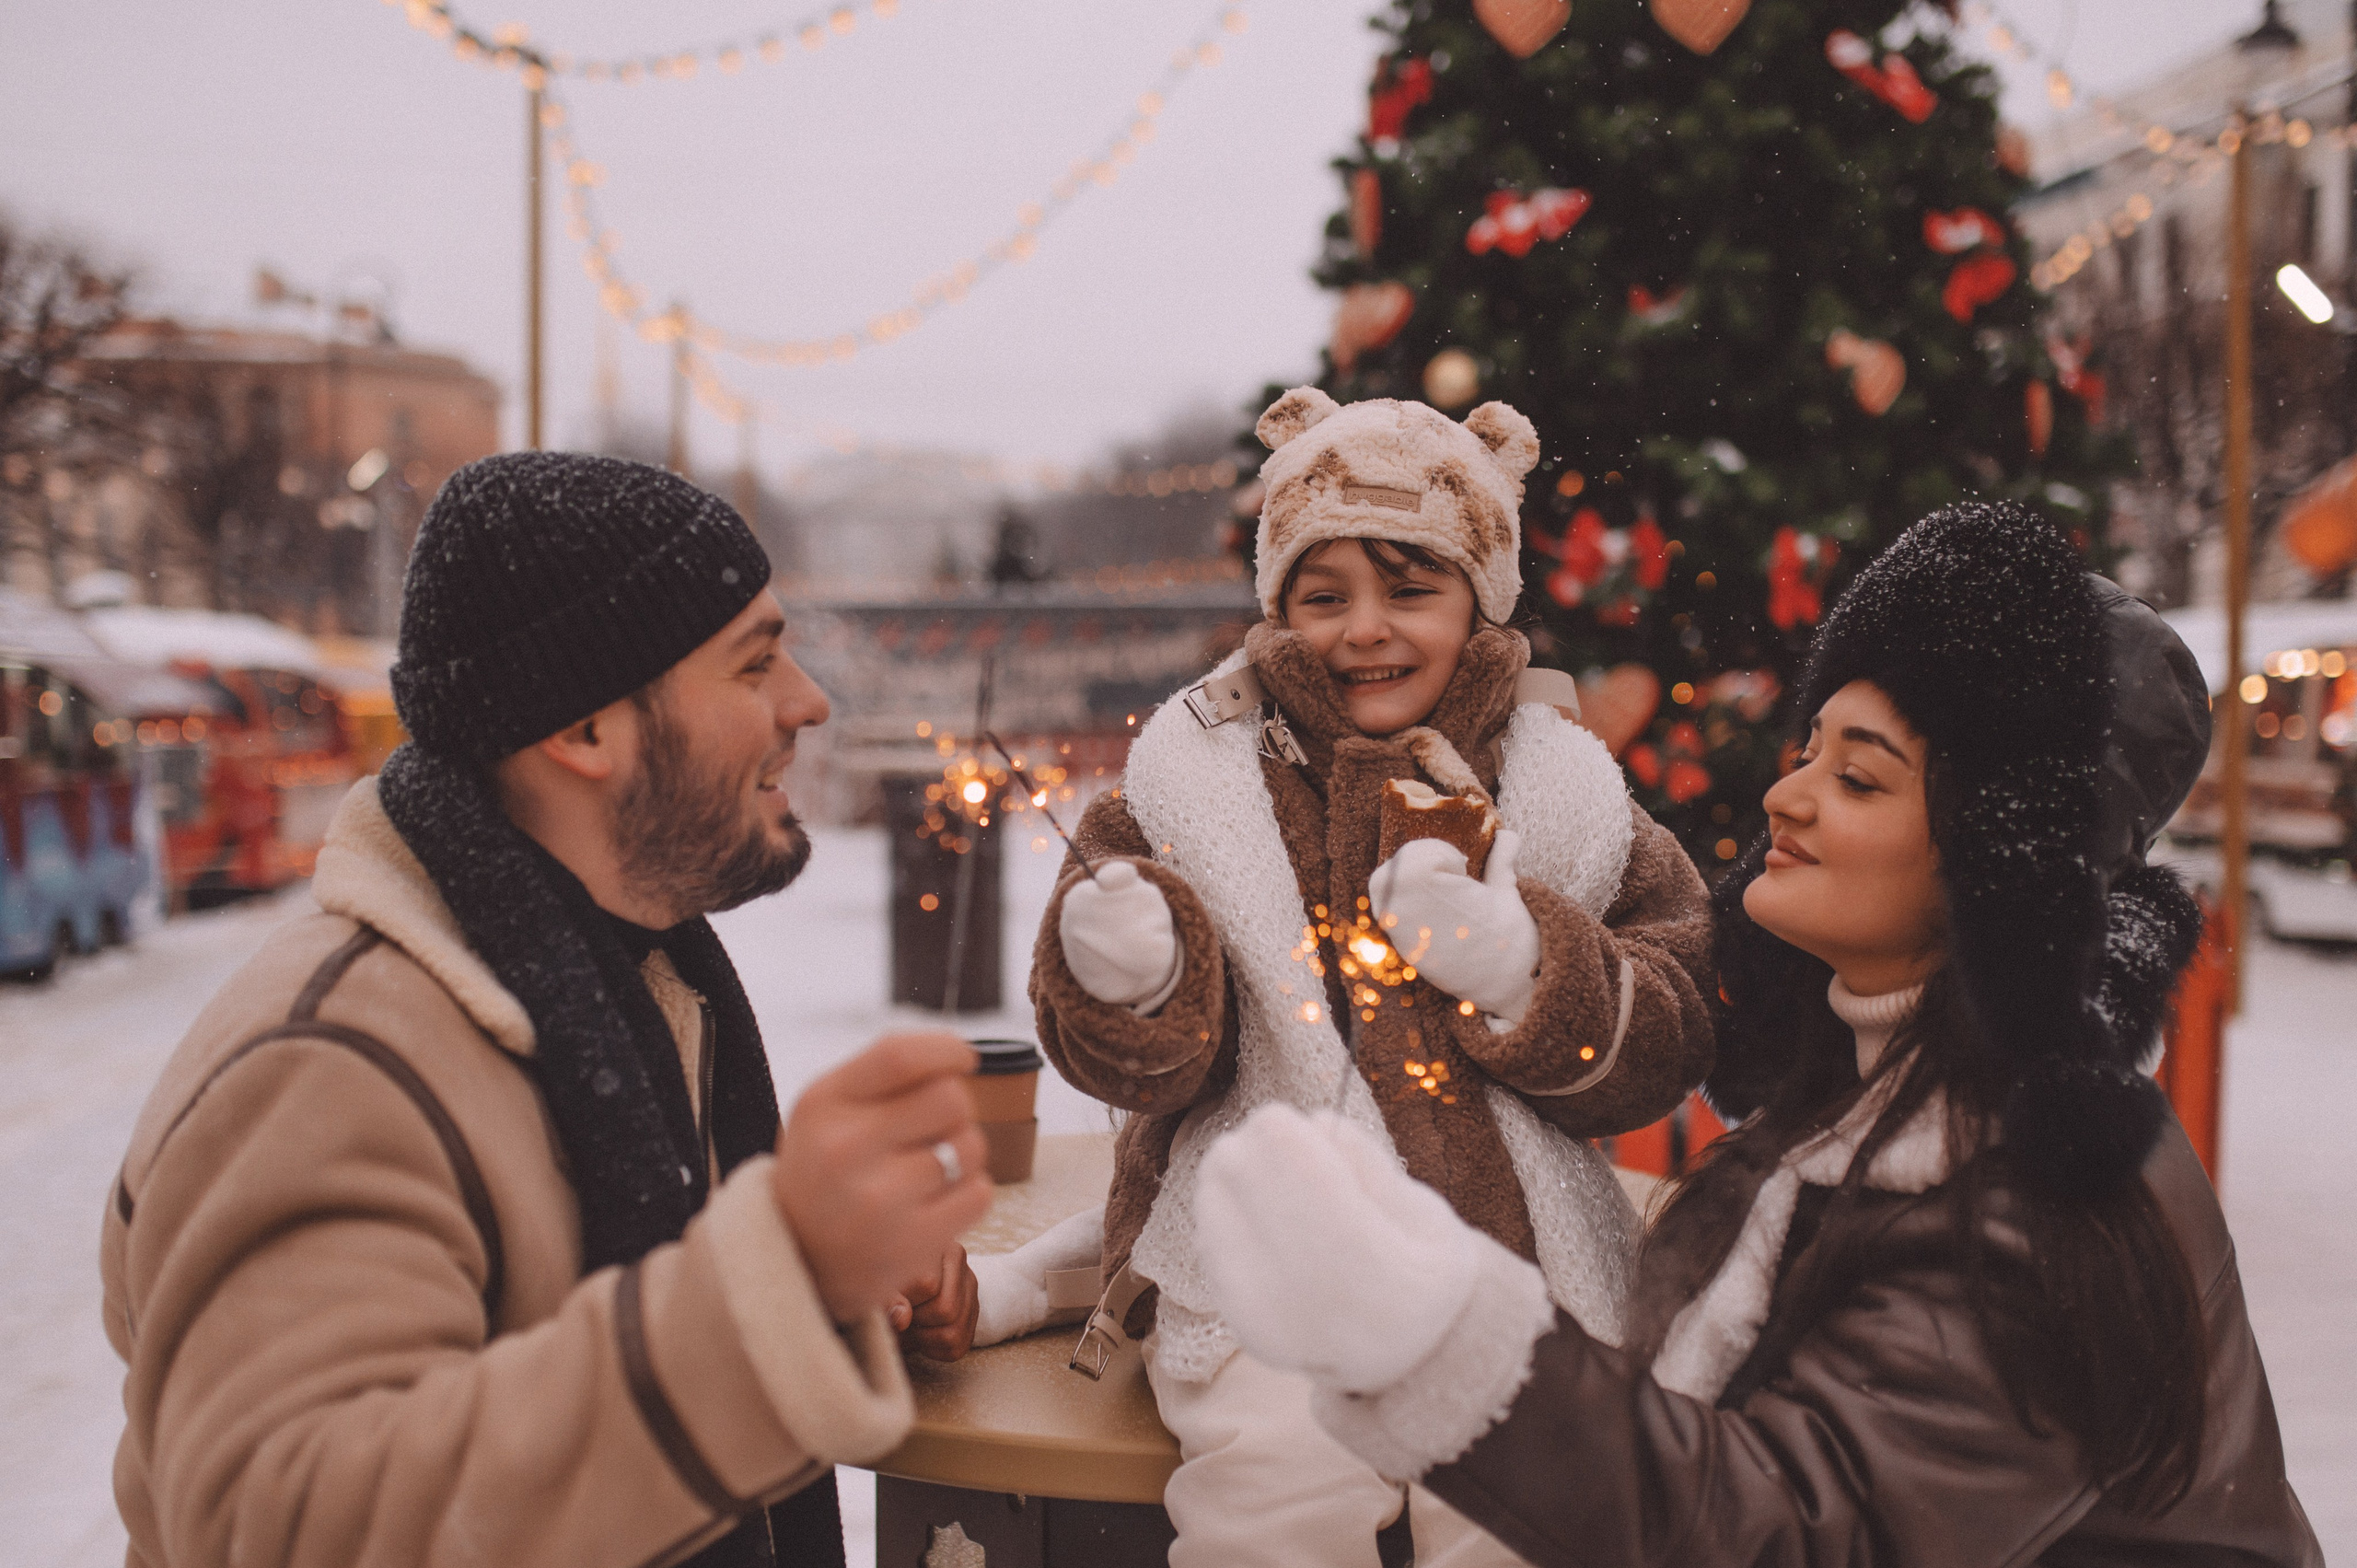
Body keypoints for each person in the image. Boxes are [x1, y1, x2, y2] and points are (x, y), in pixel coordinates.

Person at [1194, 501, 2323, 1565]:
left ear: (1996, 860)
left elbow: (1782, 1527)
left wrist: (1440, 1336)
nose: (1787, 795)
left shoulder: (2026, 1199)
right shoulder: (1872, 1095)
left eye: (1860, 778)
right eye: (1810, 749)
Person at [100, 453, 990, 1568]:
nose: (807, 700)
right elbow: (285, 1530)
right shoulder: (331, 1064)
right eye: (755, 663)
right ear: (586, 729)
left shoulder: (622, 980)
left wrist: (839, 1288)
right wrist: (775, 1287)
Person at [1026, 388, 1717, 1566]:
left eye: (1409, 589)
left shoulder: (1565, 790)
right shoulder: (1193, 781)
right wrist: (1133, 974)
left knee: (1527, 1516)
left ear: (1480, 597)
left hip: (1510, 1254)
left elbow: (1672, 1019)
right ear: (1276, 604)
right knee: (1273, 1491)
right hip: (1265, 1254)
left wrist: (1527, 968)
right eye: (1323, 594)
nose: (1364, 630)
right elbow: (1149, 1067)